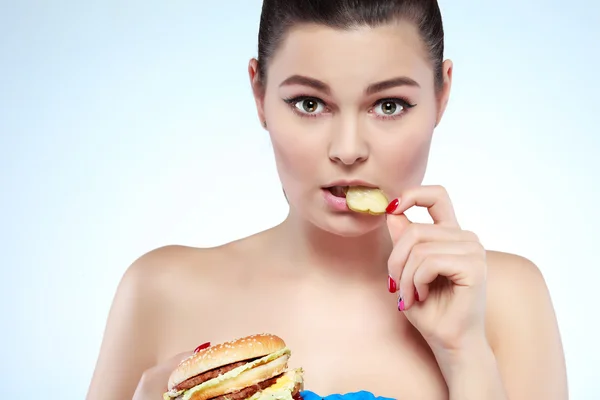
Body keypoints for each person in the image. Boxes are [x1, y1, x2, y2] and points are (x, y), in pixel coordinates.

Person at [86, 0, 568, 399]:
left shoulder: (507, 298)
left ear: (442, 96)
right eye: (309, 104)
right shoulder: (159, 292)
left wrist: (466, 356)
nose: (348, 150)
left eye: (389, 105)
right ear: (259, 95)